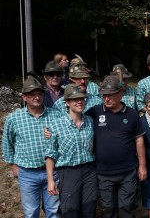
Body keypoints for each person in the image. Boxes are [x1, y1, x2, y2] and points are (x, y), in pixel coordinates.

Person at [85, 75, 147, 218]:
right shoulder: (94, 112)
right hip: (104, 173)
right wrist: (51, 130)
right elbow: (76, 122)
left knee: (127, 209)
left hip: (128, 172)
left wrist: (142, 166)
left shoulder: (132, 114)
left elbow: (139, 140)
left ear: (121, 93)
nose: (106, 98)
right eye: (104, 95)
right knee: (108, 210)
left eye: (110, 95)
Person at [2, 76, 60, 217]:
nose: (36, 97)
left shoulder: (56, 115)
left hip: (53, 172)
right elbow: (7, 143)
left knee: (53, 211)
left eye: (39, 93)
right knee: (31, 212)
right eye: (32, 94)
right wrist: (13, 166)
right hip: (27, 173)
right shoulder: (14, 118)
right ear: (24, 97)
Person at [45, 84, 98, 217]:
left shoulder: (90, 121)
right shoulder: (56, 125)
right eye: (75, 99)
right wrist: (50, 180)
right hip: (68, 172)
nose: (79, 102)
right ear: (67, 102)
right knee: (70, 210)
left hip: (89, 171)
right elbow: (51, 154)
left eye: (82, 98)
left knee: (89, 210)